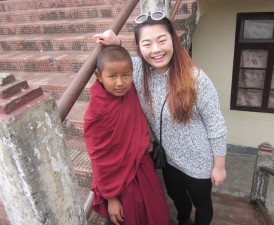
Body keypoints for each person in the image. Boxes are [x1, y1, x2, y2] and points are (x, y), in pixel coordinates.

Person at [94, 11, 227, 225]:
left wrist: (219, 166)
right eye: (147, 44)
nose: (156, 49)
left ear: (173, 40)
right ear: (140, 48)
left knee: (202, 205)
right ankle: (183, 221)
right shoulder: (138, 72)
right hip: (169, 160)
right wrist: (116, 42)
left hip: (199, 161)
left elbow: (216, 125)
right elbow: (125, 62)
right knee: (177, 198)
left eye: (162, 40)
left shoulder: (196, 79)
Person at [83, 45, 170, 225]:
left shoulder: (130, 91)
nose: (120, 82)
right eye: (112, 76)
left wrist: (142, 138)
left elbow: (137, 119)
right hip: (118, 180)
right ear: (99, 77)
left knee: (156, 209)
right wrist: (111, 198)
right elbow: (98, 157)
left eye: (126, 75)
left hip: (141, 163)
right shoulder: (97, 112)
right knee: (132, 216)